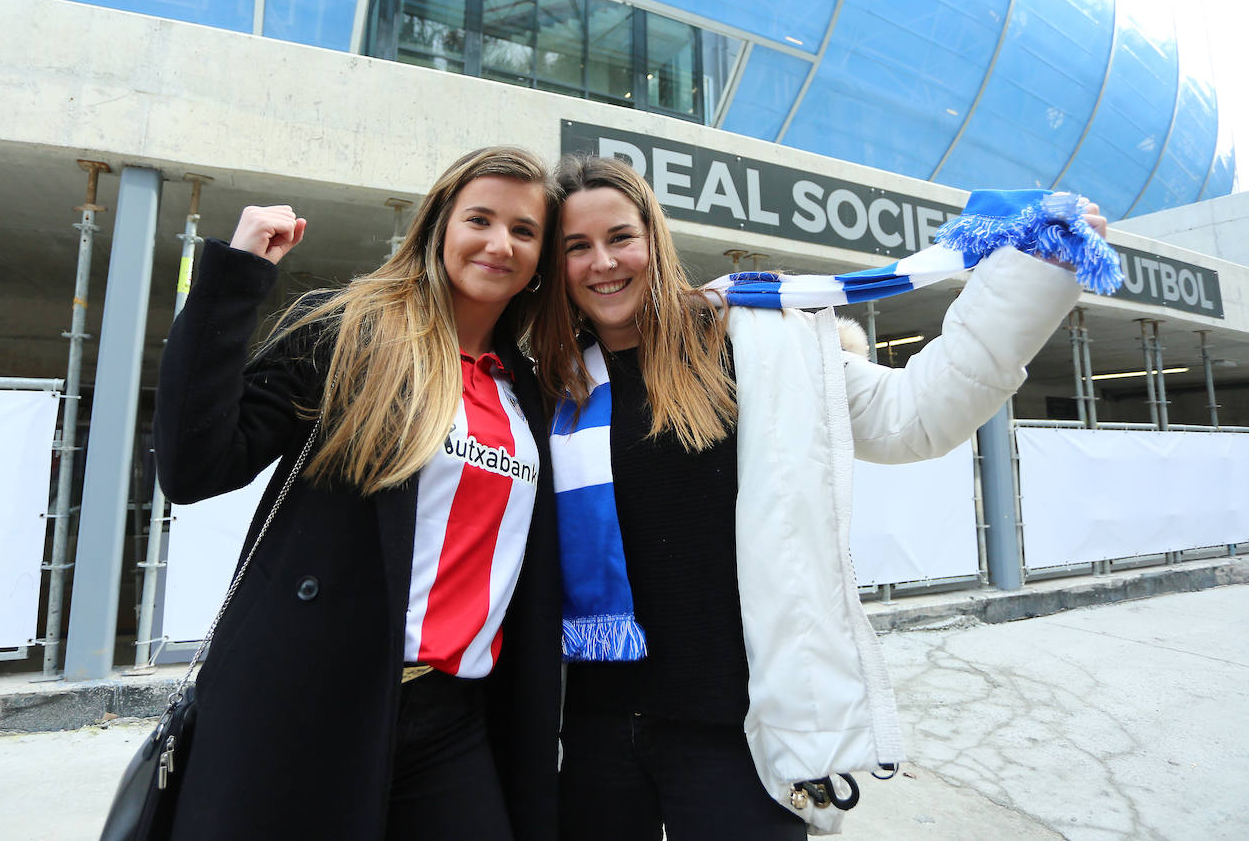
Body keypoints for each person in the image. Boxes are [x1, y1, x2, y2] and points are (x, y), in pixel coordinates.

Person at [530, 154, 1109, 840]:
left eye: (620, 236)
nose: (603, 262)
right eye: (577, 247)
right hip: (591, 733)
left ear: (653, 238)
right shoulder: (544, 386)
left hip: (737, 733)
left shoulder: (754, 343)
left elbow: (916, 416)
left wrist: (1033, 272)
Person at [152, 146, 564, 840]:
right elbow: (195, 465)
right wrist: (237, 275)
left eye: (524, 231)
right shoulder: (351, 334)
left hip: (453, 716)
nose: (500, 243)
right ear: (439, 228)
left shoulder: (527, 387)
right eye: (481, 220)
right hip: (312, 700)